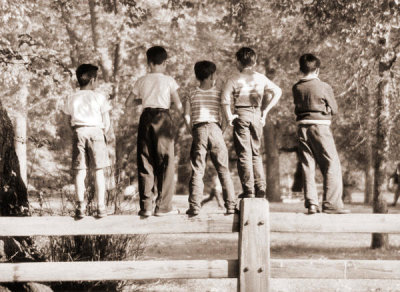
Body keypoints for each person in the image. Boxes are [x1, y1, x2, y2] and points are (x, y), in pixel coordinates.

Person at [132, 46, 187, 217]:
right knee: (166, 161)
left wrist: (146, 99)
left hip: (146, 117)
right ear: (165, 63)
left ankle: (146, 206)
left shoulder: (141, 80)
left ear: (148, 63)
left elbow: (128, 103)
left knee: (145, 159)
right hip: (163, 118)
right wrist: (186, 120)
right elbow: (178, 105)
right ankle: (164, 207)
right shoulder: (169, 80)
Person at [292, 53, 349, 214]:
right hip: (320, 127)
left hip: (302, 128)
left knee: (307, 165)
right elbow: (335, 109)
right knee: (332, 164)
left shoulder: (296, 87)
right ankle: (332, 204)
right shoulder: (324, 86)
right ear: (317, 70)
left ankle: (311, 203)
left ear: (301, 69)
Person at [222, 47, 282, 198]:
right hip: (256, 114)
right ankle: (260, 187)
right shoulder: (260, 78)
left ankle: (249, 190)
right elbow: (278, 91)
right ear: (254, 62)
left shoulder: (234, 79)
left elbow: (224, 100)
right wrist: (265, 111)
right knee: (256, 152)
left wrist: (229, 116)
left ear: (238, 62)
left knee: (244, 153)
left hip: (241, 114)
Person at [184, 60, 237, 216]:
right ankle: (231, 205)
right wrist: (223, 130)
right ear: (213, 75)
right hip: (215, 129)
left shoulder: (191, 92)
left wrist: (191, 131)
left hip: (198, 129)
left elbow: (186, 115)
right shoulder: (219, 92)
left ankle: (195, 206)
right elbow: (227, 116)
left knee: (198, 170)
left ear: (197, 76)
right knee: (223, 169)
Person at [63, 64, 111, 219]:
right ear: (92, 80)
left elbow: (67, 120)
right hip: (96, 131)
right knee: (99, 171)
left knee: (80, 170)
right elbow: (107, 121)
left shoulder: (72, 97)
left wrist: (74, 131)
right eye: (96, 79)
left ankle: (80, 206)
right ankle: (101, 207)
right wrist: (103, 132)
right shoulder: (99, 97)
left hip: (79, 131)